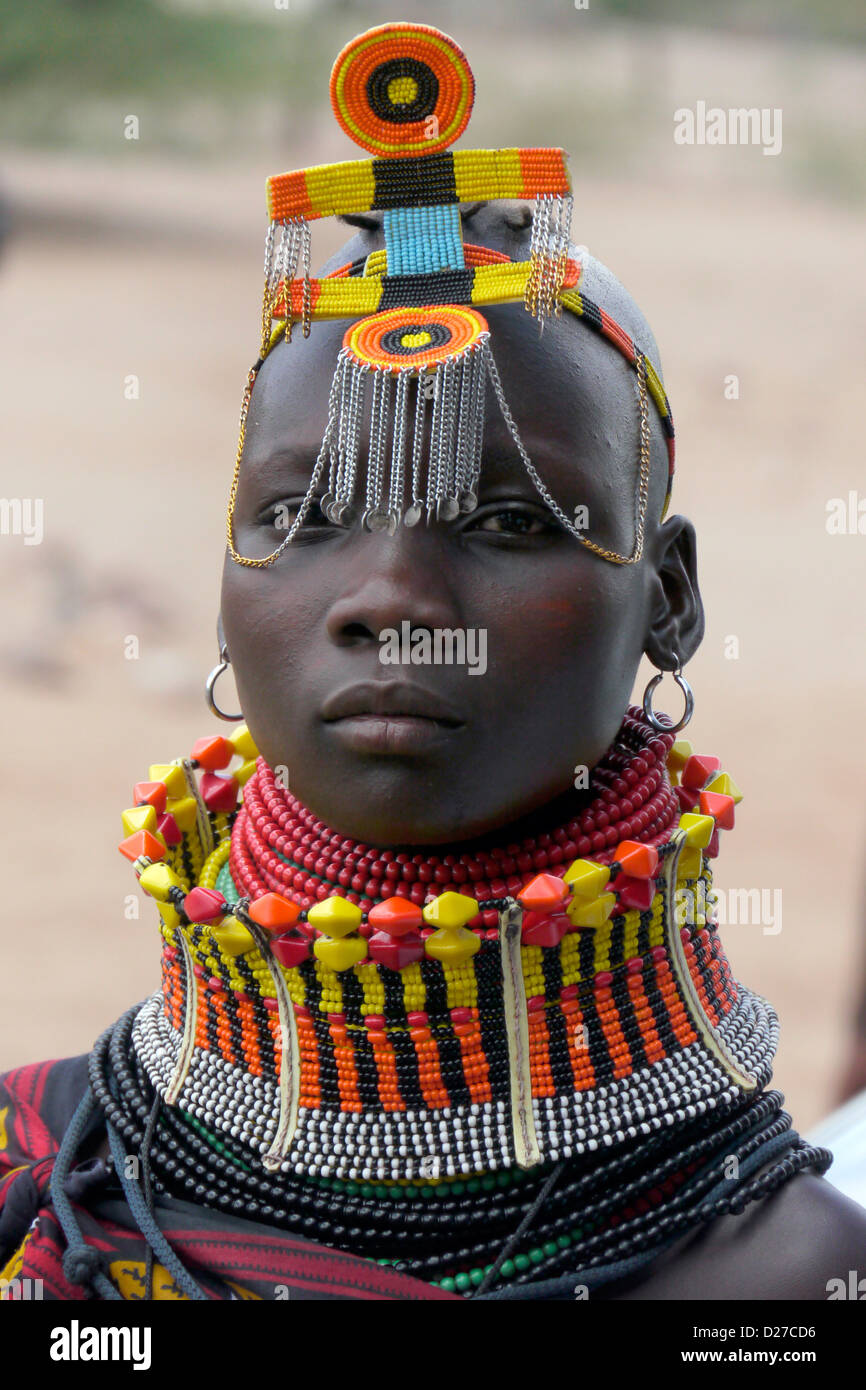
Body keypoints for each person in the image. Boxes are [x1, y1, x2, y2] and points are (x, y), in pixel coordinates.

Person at [2, 21, 865, 1303]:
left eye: (510, 522)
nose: (391, 602)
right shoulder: (47, 1165)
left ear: (668, 602)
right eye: (300, 518)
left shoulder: (777, 1282)